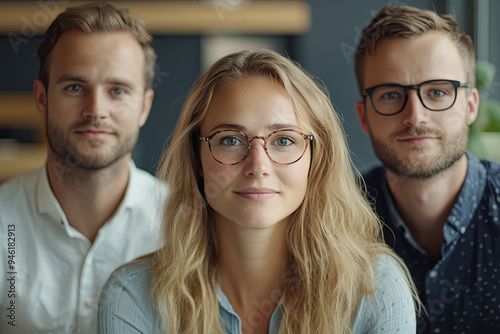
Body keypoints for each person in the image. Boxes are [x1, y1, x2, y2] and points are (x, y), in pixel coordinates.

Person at [98, 49, 418, 334]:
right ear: (195, 158)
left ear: (315, 158)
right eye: (230, 140)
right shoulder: (133, 295)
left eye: (283, 140)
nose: (258, 166)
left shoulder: (376, 289)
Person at [0, 3, 167, 334]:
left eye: (117, 90)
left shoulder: (184, 226)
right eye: (75, 87)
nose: (96, 110)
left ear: (144, 107)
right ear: (42, 98)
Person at [354, 5, 500, 334]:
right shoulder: (335, 223)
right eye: (391, 94)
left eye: (437, 92)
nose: (416, 115)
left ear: (471, 105)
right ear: (364, 116)